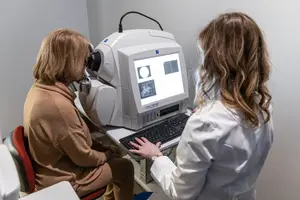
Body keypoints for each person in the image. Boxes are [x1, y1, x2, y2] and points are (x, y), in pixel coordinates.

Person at [130, 12, 274, 200]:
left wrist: (156, 156)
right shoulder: (264, 106)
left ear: (215, 62)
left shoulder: (205, 122)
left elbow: (181, 194)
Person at [23, 29, 134, 200]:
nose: (86, 65)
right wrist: (107, 154)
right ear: (68, 61)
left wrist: (102, 147)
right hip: (65, 179)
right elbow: (83, 157)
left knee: (110, 150)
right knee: (126, 166)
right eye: (83, 60)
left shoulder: (40, 88)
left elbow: (69, 134)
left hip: (49, 167)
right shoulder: (57, 106)